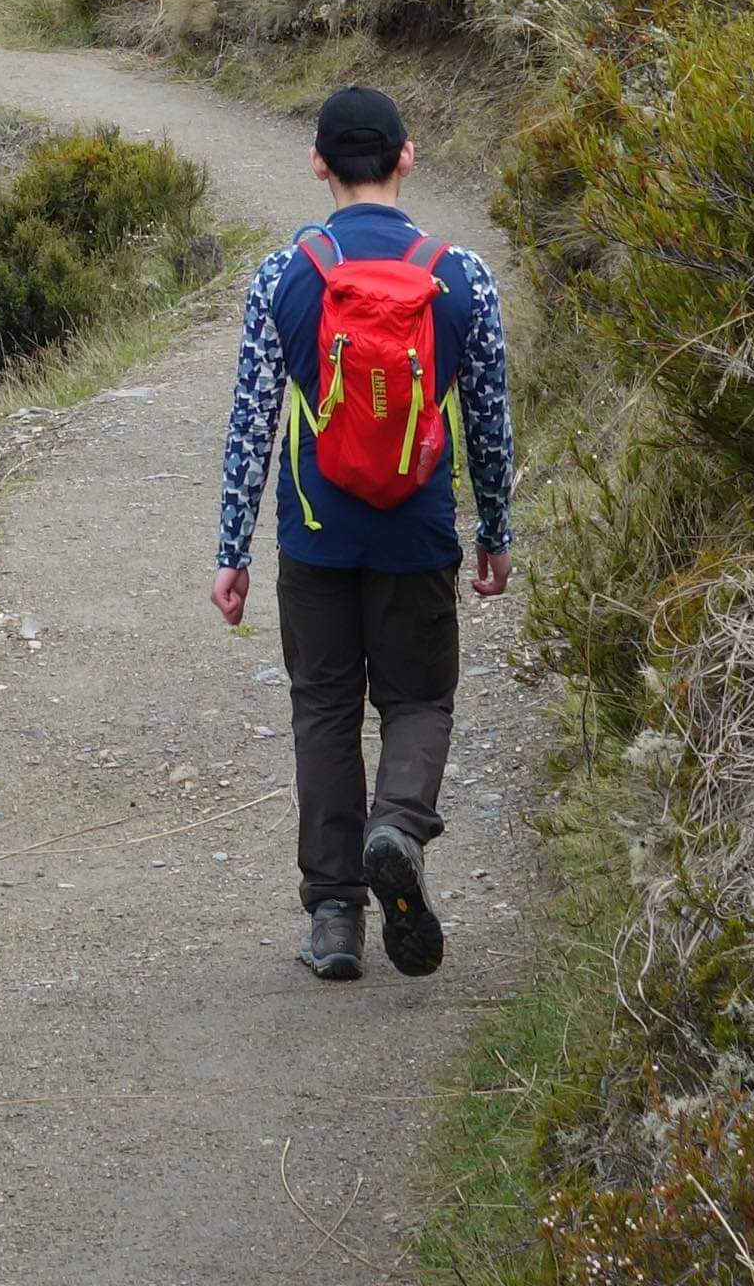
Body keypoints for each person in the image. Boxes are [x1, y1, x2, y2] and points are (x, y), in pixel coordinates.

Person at [209, 83, 515, 984]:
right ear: (406, 157)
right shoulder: (463, 276)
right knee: (419, 702)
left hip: (315, 536)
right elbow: (490, 422)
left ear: (318, 164)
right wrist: (495, 527)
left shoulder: (283, 276)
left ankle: (336, 918)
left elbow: (251, 424)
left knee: (325, 711)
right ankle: (399, 824)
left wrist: (231, 551)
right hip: (418, 534)